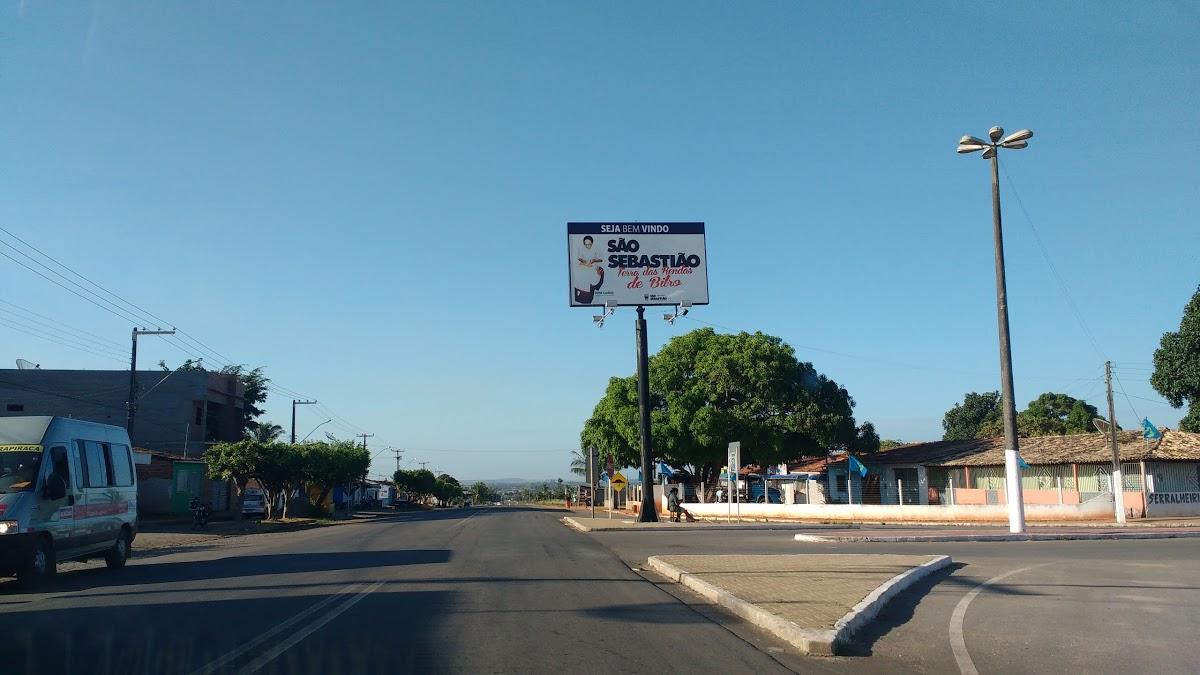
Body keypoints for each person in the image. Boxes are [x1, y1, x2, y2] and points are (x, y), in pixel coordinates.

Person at [572, 235, 605, 304]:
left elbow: (601, 259)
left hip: (587, 296)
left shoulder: (598, 269)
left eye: (589, 244)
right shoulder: (579, 250)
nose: (588, 246)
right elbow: (576, 260)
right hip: (580, 294)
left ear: (592, 243)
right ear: (584, 244)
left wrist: (594, 261)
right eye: (586, 244)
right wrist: (584, 263)